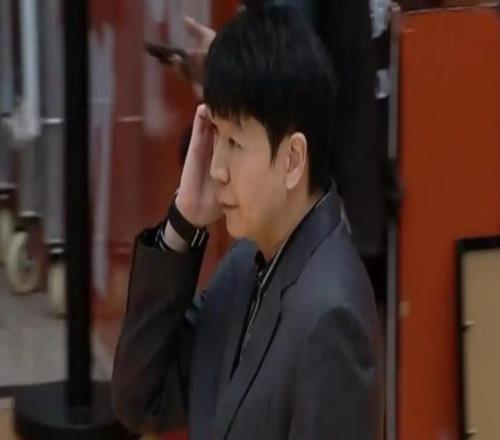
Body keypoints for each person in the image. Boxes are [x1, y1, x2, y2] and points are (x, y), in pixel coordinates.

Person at [112, 7, 383, 439]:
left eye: (235, 142)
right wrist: (183, 223)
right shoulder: (245, 264)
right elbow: (140, 399)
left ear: (292, 160)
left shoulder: (332, 319)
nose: (216, 168)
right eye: (216, 135)